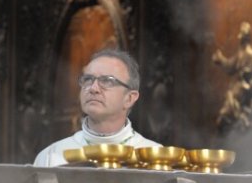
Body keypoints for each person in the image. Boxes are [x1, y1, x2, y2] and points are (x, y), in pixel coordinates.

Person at [33, 48, 161, 166]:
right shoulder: (51, 157)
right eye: (88, 79)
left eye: (107, 81)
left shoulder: (155, 158)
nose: (93, 88)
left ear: (129, 98)